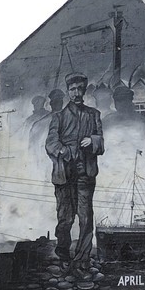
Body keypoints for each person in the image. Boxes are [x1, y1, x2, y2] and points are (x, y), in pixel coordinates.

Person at [44, 72, 104, 264]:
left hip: (85, 173)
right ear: (68, 91)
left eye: (80, 89)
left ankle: (82, 259)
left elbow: (101, 144)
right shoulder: (59, 117)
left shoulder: (94, 115)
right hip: (64, 174)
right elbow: (51, 144)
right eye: (72, 89)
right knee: (65, 218)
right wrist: (66, 151)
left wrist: (93, 140)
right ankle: (63, 253)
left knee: (86, 218)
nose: (76, 93)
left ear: (84, 90)